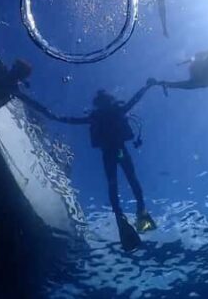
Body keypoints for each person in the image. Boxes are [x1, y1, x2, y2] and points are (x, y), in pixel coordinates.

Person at [30, 82, 158, 251]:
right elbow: (134, 100)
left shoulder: (96, 116)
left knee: (114, 184)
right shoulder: (115, 111)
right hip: (119, 150)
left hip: (110, 153)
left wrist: (54, 116)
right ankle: (140, 209)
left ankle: (122, 214)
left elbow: (74, 120)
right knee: (130, 179)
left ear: (98, 103)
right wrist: (147, 87)